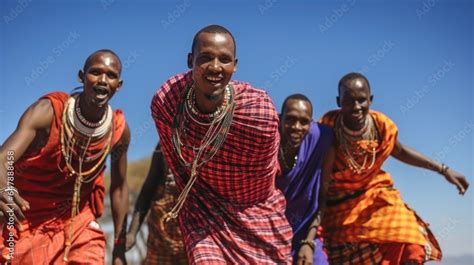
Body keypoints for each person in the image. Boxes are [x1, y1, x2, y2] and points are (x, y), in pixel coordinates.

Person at [151, 24, 293, 264]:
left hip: (255, 212)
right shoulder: (169, 101)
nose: (215, 67)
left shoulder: (258, 114)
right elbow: (179, 166)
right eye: (205, 58)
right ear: (190, 60)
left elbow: (264, 175)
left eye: (224, 60)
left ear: (235, 66)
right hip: (205, 210)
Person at [318, 72, 469, 264]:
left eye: (361, 100)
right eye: (349, 101)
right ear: (339, 102)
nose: (356, 107)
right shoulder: (326, 130)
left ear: (370, 100)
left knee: (410, 244)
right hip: (338, 207)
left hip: (375, 197)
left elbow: (401, 151)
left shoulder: (381, 127)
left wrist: (443, 169)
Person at [0, 49, 130, 264]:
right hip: (27, 217)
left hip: (78, 221)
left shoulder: (118, 131)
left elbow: (119, 188)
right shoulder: (48, 112)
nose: (103, 80)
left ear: (119, 84)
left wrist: (119, 248)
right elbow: (5, 158)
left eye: (111, 75)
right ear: (82, 76)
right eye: (95, 72)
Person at [276, 94, 332, 265]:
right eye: (290, 119)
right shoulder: (266, 144)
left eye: (304, 122)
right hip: (267, 236)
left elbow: (322, 197)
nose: (296, 127)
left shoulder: (321, 139)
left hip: (304, 236)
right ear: (279, 118)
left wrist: (309, 242)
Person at [126, 143, 187, 264]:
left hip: (192, 235)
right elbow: (147, 190)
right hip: (160, 235)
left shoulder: (209, 144)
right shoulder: (163, 146)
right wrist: (132, 233)